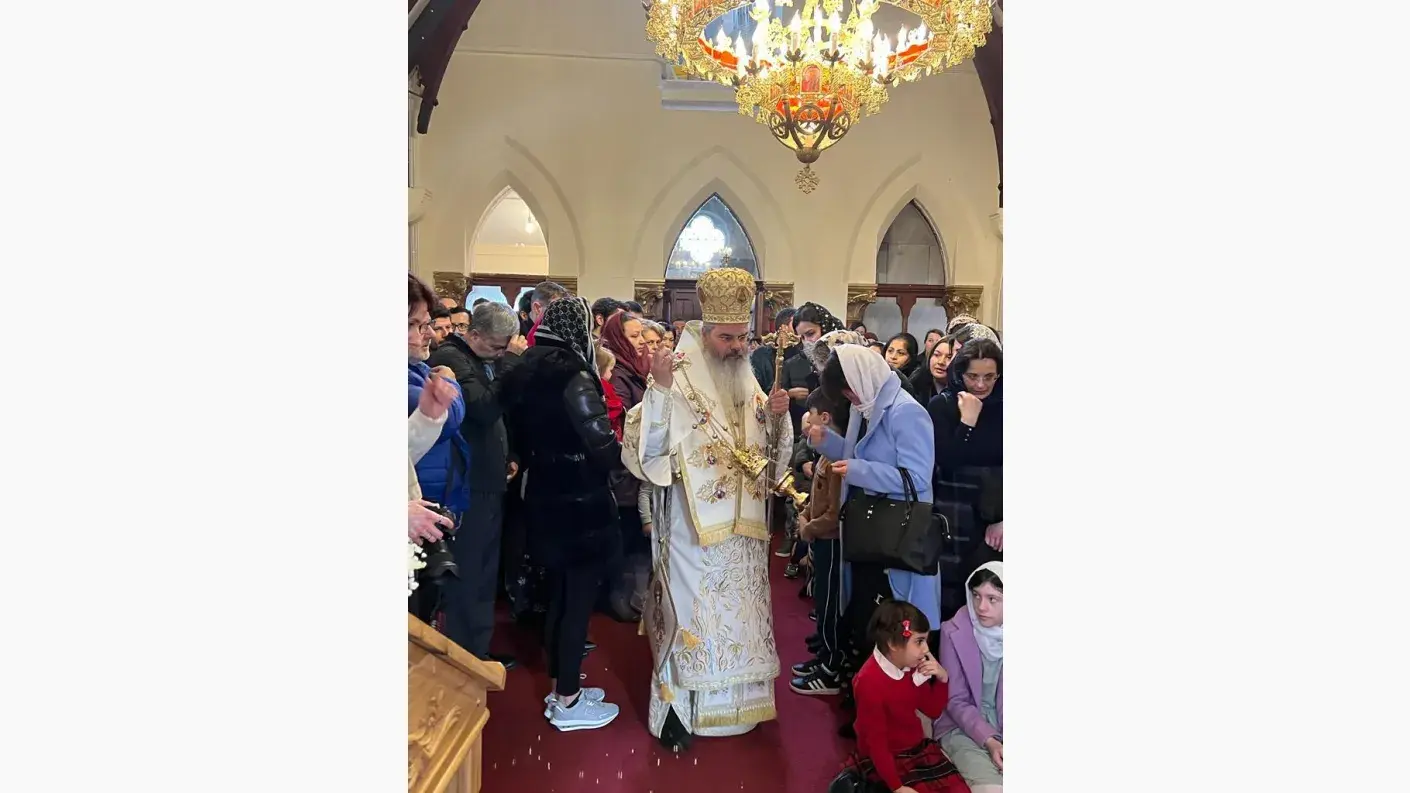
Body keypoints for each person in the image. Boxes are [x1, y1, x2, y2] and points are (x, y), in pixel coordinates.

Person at [622, 266, 791, 749]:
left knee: (739, 619)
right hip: (693, 528)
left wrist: (776, 417)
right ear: (705, 330)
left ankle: (737, 707)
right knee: (693, 616)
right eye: (727, 338)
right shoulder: (675, 374)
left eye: (743, 337)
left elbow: (764, 449)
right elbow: (645, 453)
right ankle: (681, 711)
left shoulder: (744, 374)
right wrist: (657, 391)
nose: (737, 347)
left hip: (745, 529)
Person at [499, 296, 623, 732]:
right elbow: (600, 442)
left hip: (543, 493)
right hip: (578, 502)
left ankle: (560, 689)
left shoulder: (525, 368)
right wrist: (624, 457)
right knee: (576, 602)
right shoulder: (573, 374)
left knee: (561, 596)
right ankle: (567, 699)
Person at [801, 345, 937, 697]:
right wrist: (826, 442)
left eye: (849, 389)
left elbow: (917, 479)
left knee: (892, 623)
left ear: (862, 377)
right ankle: (862, 698)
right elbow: (854, 456)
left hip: (895, 534)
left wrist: (861, 471)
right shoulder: (865, 406)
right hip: (867, 530)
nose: (848, 397)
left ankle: (887, 703)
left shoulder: (906, 411)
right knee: (865, 617)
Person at [426, 301, 525, 668]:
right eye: (497, 346)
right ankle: (462, 656)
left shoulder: (482, 357)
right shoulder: (451, 358)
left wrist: (509, 452)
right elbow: (482, 408)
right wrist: (510, 364)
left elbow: (500, 414)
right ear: (474, 334)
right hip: (466, 484)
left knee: (484, 569)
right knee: (468, 572)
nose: (501, 353)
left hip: (488, 478)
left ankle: (476, 650)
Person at [843, 600, 967, 793]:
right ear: (893, 644)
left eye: (925, 641)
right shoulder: (868, 682)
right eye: (919, 641)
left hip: (914, 747)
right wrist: (897, 787)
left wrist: (942, 679)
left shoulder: (913, 665)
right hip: (882, 758)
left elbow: (933, 710)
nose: (926, 649)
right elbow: (876, 743)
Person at [928, 339, 1002, 617]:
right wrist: (967, 422)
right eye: (973, 376)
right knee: (950, 598)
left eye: (989, 377)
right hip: (953, 512)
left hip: (994, 514)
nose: (981, 385)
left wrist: (1004, 517)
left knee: (989, 598)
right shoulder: (943, 405)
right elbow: (946, 461)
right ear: (960, 373)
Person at [789, 389, 848, 692]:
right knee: (822, 600)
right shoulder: (825, 455)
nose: (807, 425)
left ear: (824, 419)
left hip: (831, 541)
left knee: (829, 601)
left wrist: (809, 528)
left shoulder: (836, 460)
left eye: (810, 419)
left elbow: (835, 513)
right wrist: (805, 515)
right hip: (820, 537)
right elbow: (817, 499)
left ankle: (831, 666)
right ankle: (824, 653)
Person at [599, 311, 651, 620]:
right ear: (618, 339)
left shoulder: (637, 368)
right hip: (624, 468)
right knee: (626, 537)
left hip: (640, 464)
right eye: (634, 336)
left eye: (642, 334)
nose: (642, 341)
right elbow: (622, 420)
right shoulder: (617, 374)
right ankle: (622, 598)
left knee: (635, 537)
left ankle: (635, 596)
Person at [935, 563, 1003, 793]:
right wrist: (990, 740)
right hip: (963, 725)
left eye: (993, 599)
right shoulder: (953, 630)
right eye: (976, 595)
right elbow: (955, 701)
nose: (981, 606)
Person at [909, 333, 957, 406]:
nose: (941, 362)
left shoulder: (964, 389)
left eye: (949, 357)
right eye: (937, 355)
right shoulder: (916, 382)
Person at [596, 347, 624, 439]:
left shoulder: (603, 384)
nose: (612, 374)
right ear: (601, 368)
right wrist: (618, 406)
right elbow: (608, 408)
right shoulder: (602, 385)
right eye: (610, 370)